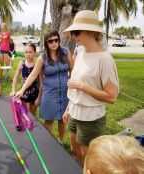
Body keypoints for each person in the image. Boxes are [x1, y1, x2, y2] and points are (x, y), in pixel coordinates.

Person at [62, 10, 119, 166]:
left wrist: (83, 86)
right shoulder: (80, 52)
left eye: (76, 32)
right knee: (75, 151)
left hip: (91, 117)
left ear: (90, 31)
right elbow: (74, 84)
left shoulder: (104, 58)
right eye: (72, 32)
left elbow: (111, 96)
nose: (73, 36)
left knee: (89, 158)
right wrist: (68, 108)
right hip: (74, 111)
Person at [14, 30, 74, 142]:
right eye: (50, 41)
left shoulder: (66, 52)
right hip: (50, 92)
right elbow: (32, 75)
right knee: (49, 120)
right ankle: (49, 143)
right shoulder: (43, 58)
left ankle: (60, 141)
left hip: (65, 91)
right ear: (46, 43)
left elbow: (73, 69)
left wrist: (73, 83)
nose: (54, 43)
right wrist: (22, 90)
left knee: (63, 119)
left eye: (56, 40)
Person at [10, 43, 43, 116]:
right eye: (26, 52)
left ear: (34, 53)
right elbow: (15, 78)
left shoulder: (37, 65)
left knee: (33, 115)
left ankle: (33, 127)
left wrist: (39, 97)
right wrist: (13, 90)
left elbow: (41, 83)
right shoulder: (21, 64)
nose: (28, 54)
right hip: (24, 94)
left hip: (35, 94)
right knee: (25, 114)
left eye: (30, 52)